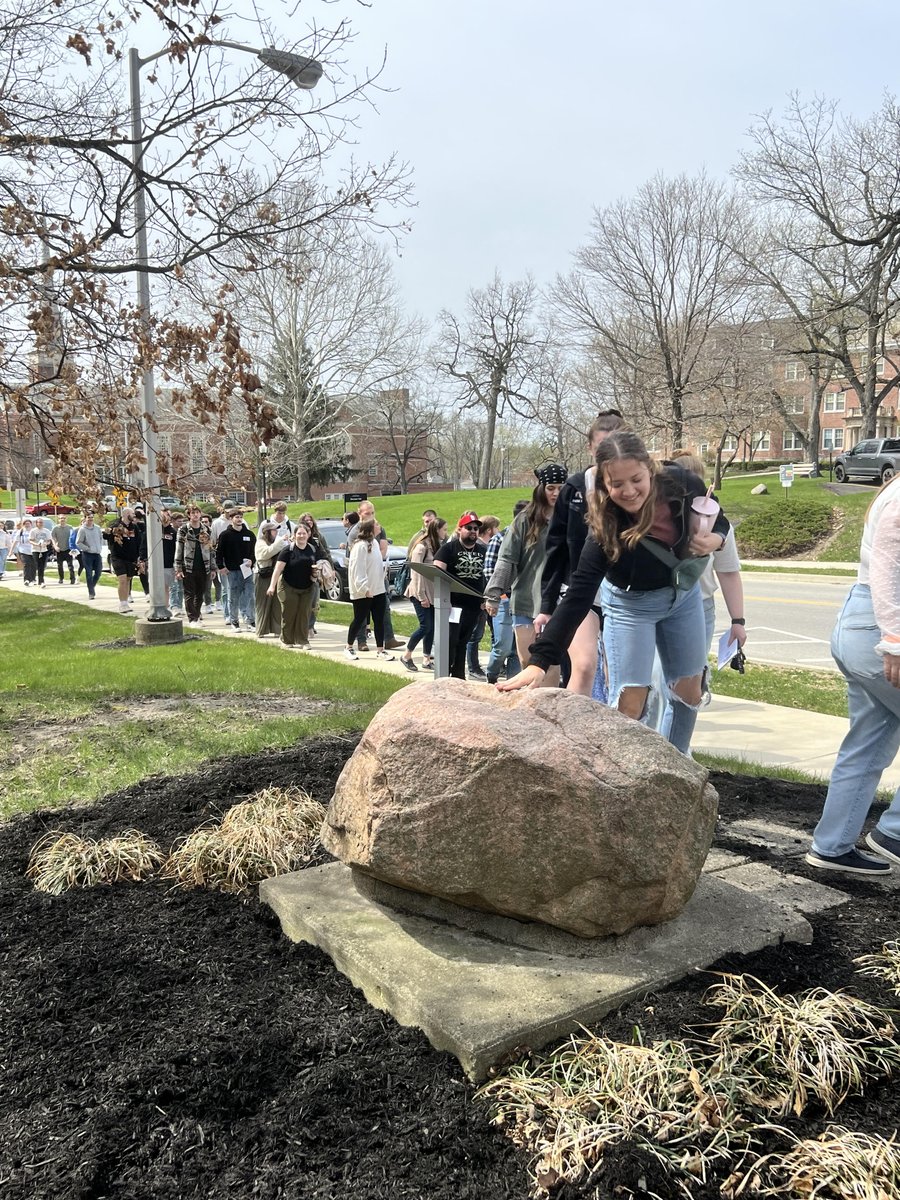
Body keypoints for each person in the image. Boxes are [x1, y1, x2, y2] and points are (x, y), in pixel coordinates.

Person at [499, 432, 730, 756]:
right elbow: (579, 594)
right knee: (631, 698)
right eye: (617, 484)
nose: (629, 490)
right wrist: (540, 660)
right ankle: (624, 772)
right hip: (631, 605)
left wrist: (716, 539)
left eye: (636, 479)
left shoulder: (680, 482)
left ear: (650, 469)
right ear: (605, 485)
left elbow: (718, 515)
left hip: (682, 598)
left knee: (688, 691)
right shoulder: (605, 528)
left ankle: (676, 768)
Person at [805, 476, 900, 876]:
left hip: (861, 624)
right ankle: (894, 832)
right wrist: (894, 641)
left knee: (868, 740)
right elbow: (887, 564)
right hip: (879, 630)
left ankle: (832, 846)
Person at [646, 450, 748, 737]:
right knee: (652, 682)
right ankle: (649, 743)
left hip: (699, 607)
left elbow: (728, 571)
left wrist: (738, 621)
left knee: (684, 687)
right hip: (654, 605)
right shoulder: (655, 517)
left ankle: (675, 751)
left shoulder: (714, 522)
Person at [538, 410, 627, 694]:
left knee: (622, 676)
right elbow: (556, 549)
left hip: (625, 592)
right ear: (590, 448)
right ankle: (574, 733)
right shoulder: (575, 488)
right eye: (601, 448)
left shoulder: (639, 487)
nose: (608, 456)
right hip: (581, 589)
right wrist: (547, 606)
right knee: (585, 664)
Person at [485, 466, 568, 687]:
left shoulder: (572, 518)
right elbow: (507, 559)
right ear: (541, 488)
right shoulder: (525, 520)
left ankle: (548, 708)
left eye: (561, 488)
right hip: (525, 599)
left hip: (558, 601)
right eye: (551, 488)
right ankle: (530, 709)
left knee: (549, 662)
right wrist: (494, 594)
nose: (556, 493)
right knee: (527, 660)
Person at [434, 511, 487, 680]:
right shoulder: (448, 549)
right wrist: (444, 599)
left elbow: (488, 576)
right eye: (469, 528)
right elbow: (437, 572)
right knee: (451, 640)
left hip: (474, 605)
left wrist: (485, 599)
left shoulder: (483, 550)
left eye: (476, 529)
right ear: (459, 530)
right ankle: (445, 673)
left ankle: (458, 675)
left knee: (464, 640)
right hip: (453, 604)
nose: (473, 531)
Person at [346, 500, 405, 651]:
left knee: (382, 611)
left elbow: (382, 549)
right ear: (360, 514)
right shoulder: (356, 534)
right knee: (361, 615)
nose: (371, 516)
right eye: (367, 513)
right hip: (363, 585)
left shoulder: (378, 532)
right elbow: (357, 560)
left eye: (372, 513)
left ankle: (387, 640)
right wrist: (364, 586)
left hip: (378, 580)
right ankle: (360, 642)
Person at [484, 501, 528, 684]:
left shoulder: (534, 539)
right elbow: (489, 570)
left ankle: (512, 685)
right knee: (502, 646)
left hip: (524, 600)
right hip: (504, 598)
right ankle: (492, 675)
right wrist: (498, 595)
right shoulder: (501, 538)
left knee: (520, 647)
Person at [267, 522, 326, 648]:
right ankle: (287, 640)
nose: (301, 536)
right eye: (299, 533)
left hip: (307, 587)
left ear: (308, 535)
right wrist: (272, 586)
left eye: (304, 533)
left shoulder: (312, 549)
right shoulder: (288, 550)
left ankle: (302, 640)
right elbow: (278, 570)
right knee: (289, 613)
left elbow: (318, 564)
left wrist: (318, 572)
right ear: (294, 535)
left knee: (304, 614)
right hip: (288, 586)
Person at [344, 518, 395, 661]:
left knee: (379, 620)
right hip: (363, 591)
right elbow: (357, 569)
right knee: (359, 619)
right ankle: (348, 647)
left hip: (378, 589)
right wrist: (364, 588)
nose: (380, 526)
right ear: (371, 528)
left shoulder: (375, 543)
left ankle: (380, 650)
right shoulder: (360, 546)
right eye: (377, 524)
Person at [401, 520, 443, 672]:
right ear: (436, 530)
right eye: (443, 529)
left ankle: (426, 659)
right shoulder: (421, 547)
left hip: (432, 593)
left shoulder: (436, 546)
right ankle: (406, 655)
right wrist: (421, 596)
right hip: (419, 592)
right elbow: (416, 572)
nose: (445, 532)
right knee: (425, 626)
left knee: (431, 628)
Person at [466, 515, 500, 680]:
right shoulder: (480, 548)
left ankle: (497, 666)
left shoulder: (485, 547)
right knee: (475, 635)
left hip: (486, 598)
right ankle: (473, 667)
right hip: (479, 599)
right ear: (490, 530)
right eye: (496, 528)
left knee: (493, 632)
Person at [216, 508, 256, 631]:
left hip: (247, 570)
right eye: (236, 517)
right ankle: (234, 621)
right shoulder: (225, 535)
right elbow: (219, 552)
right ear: (231, 519)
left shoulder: (249, 534)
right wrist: (221, 567)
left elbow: (254, 551)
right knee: (233, 597)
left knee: (249, 596)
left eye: (240, 517)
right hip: (232, 570)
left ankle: (250, 620)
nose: (239, 519)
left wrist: (252, 561)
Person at [174, 506, 213, 627]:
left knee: (200, 593)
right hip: (188, 565)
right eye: (193, 513)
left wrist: (213, 567)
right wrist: (178, 568)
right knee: (189, 593)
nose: (195, 515)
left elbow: (210, 549)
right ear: (189, 515)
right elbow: (179, 549)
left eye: (197, 512)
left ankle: (197, 615)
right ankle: (192, 618)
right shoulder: (184, 529)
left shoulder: (206, 529)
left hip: (203, 565)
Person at [254, 520, 288, 638]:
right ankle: (260, 630)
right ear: (267, 532)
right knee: (262, 604)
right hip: (262, 576)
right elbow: (265, 553)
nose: (276, 532)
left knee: (276, 604)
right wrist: (280, 541)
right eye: (274, 530)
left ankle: (277, 629)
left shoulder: (276, 542)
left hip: (275, 575)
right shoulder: (260, 542)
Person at [107, 507, 142, 613]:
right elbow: (106, 535)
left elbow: (138, 542)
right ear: (126, 514)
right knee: (122, 579)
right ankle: (122, 604)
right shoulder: (115, 524)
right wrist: (112, 532)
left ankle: (126, 602)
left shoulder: (134, 527)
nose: (134, 515)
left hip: (131, 558)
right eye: (132, 513)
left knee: (127, 580)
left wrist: (139, 557)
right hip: (118, 557)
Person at [75, 510, 105, 599]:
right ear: (85, 519)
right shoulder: (82, 529)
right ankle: (91, 593)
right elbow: (78, 542)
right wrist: (87, 548)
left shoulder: (97, 528)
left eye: (92, 518)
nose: (90, 519)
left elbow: (100, 538)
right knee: (88, 573)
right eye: (89, 518)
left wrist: (99, 547)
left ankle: (92, 586)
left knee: (98, 572)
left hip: (97, 553)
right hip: (87, 554)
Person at [50, 515, 76, 584]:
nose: (62, 520)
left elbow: (73, 538)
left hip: (68, 549)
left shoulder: (70, 527)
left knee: (70, 565)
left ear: (66, 519)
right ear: (58, 520)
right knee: (59, 565)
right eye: (61, 518)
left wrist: (73, 548)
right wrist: (55, 546)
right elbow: (52, 537)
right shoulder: (55, 528)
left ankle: (72, 578)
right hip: (59, 549)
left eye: (64, 518)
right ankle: (61, 578)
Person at [29, 516, 53, 588]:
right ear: (36, 523)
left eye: (42, 522)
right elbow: (30, 540)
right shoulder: (33, 531)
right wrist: (36, 544)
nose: (40, 524)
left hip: (44, 550)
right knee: (38, 565)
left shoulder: (46, 531)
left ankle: (41, 581)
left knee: (42, 565)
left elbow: (49, 540)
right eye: (39, 522)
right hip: (35, 550)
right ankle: (37, 580)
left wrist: (46, 543)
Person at [14, 519, 36, 585]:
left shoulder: (33, 531)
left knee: (33, 565)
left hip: (33, 550)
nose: (27, 525)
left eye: (28, 523)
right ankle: (26, 579)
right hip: (23, 550)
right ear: (23, 525)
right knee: (26, 564)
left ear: (31, 524)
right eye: (26, 523)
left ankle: (33, 579)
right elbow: (15, 541)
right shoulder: (20, 532)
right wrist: (11, 550)